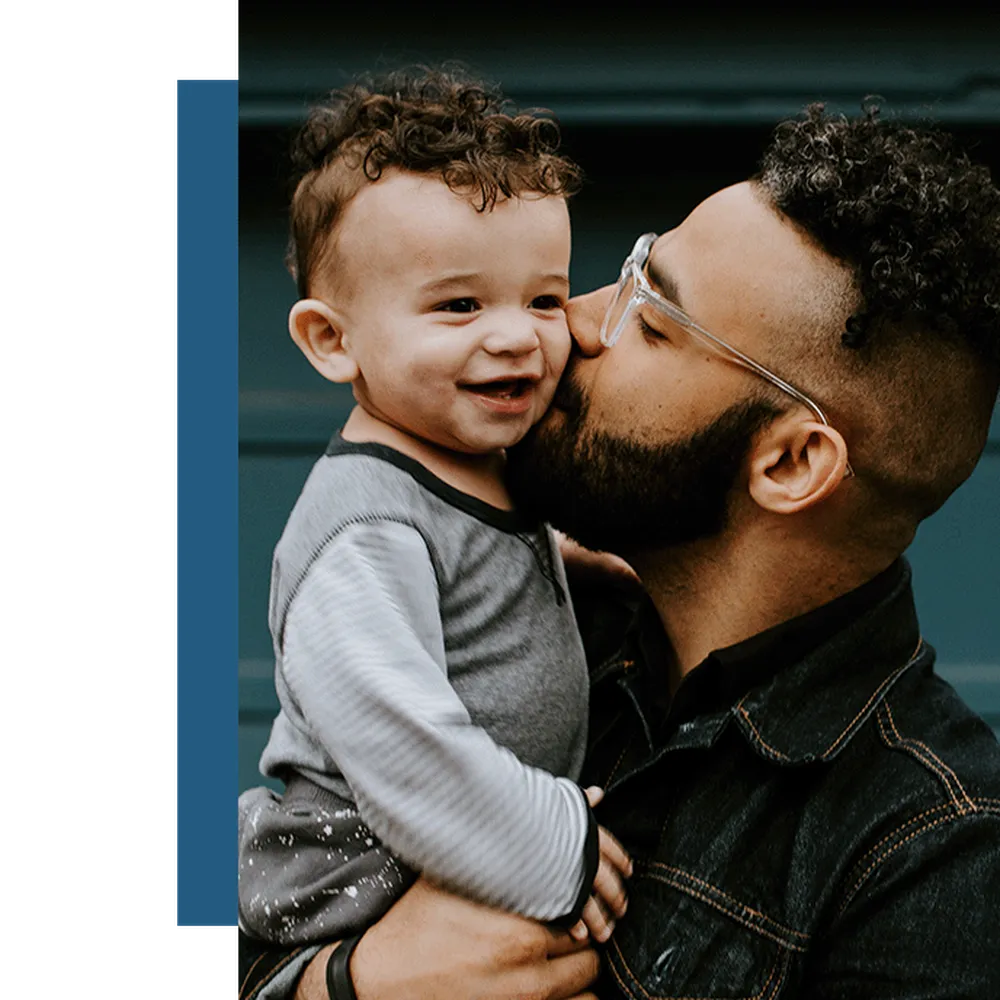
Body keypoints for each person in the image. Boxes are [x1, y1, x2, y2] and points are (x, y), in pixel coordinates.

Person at [237, 104, 1000, 999]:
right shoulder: (505, 608)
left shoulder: (931, 852)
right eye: (630, 269)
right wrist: (344, 984)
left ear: (790, 462)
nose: (572, 323)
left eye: (653, 318)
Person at [237, 67, 632, 960]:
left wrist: (558, 563)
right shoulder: (363, 531)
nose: (514, 334)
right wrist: (548, 843)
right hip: (357, 877)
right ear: (332, 341)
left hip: (443, 855)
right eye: (459, 305)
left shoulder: (468, 464)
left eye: (542, 298)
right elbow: (399, 738)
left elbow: (463, 566)